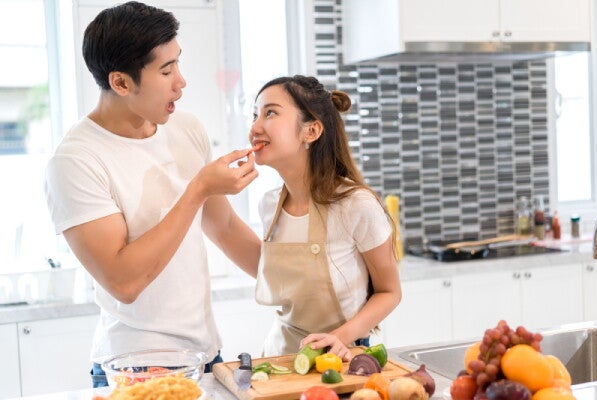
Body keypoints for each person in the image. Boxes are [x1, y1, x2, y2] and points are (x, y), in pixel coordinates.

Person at [44, 1, 261, 387]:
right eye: (166, 70)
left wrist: (304, 287)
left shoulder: (186, 128)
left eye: (177, 63)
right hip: (134, 368)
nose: (181, 81)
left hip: (206, 356)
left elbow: (225, 227)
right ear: (121, 82)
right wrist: (197, 190)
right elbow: (124, 282)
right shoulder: (76, 161)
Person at [249, 75, 402, 361]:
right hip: (279, 359)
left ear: (311, 131)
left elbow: (389, 291)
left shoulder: (355, 204)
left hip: (341, 360)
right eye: (255, 115)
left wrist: (339, 337)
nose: (255, 127)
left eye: (270, 113)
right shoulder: (269, 205)